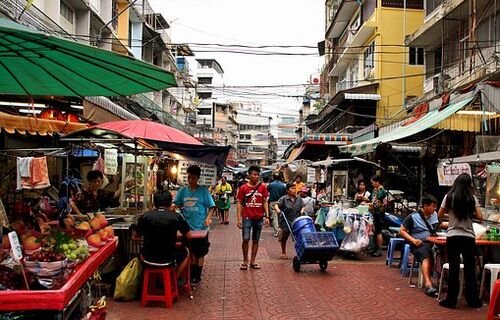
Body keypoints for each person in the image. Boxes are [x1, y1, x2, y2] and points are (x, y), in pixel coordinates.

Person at [437, 173, 483, 309]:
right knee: (470, 269)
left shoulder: (449, 197)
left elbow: (439, 214)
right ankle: (472, 300)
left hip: (453, 235)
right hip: (468, 236)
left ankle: (451, 300)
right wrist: (471, 214)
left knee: (454, 268)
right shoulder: (472, 199)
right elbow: (480, 217)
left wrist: (451, 214)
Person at [173, 165, 215, 285]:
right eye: (189, 177)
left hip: (201, 228)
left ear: (198, 178)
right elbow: (175, 204)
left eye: (193, 178)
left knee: (200, 253)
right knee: (189, 252)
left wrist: (208, 218)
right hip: (187, 228)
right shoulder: (182, 191)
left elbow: (211, 207)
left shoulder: (203, 191)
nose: (190, 180)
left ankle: (198, 276)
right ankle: (191, 274)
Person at [134, 189, 190, 279]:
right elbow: (189, 235)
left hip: (147, 258)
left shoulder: (145, 216)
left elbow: (136, 236)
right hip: (169, 258)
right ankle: (174, 279)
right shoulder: (176, 217)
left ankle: (155, 281)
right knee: (186, 252)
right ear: (170, 202)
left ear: (154, 203)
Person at [399, 194, 443, 298]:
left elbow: (439, 225)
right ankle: (428, 284)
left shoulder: (435, 215)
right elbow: (402, 231)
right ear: (425, 206)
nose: (434, 209)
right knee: (426, 256)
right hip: (420, 244)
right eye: (432, 206)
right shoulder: (412, 217)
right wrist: (413, 240)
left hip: (435, 241)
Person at [237, 165, 270, 270]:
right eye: (254, 175)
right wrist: (238, 219)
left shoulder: (263, 187)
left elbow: (265, 201)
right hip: (247, 217)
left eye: (257, 175)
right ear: (249, 175)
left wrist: (267, 216)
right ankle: (245, 260)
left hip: (259, 217)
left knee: (256, 240)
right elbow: (239, 203)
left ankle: (253, 261)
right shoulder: (243, 188)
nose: (256, 177)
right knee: (246, 239)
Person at [275, 183, 305, 259]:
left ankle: (300, 252)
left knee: (299, 237)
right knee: (284, 237)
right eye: (292, 188)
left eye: (295, 188)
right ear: (287, 190)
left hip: (296, 220)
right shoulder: (284, 198)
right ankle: (283, 252)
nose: (294, 190)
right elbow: (276, 205)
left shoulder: (299, 198)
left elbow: (303, 206)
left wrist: (302, 210)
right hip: (286, 220)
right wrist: (278, 210)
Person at [368, 175, 387, 257]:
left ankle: (379, 249)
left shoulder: (381, 191)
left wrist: (369, 204)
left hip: (379, 213)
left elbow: (376, 203)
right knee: (375, 231)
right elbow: (371, 199)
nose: (372, 184)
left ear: (377, 182)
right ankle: (374, 248)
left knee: (378, 231)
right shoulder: (375, 190)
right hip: (375, 212)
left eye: (373, 183)